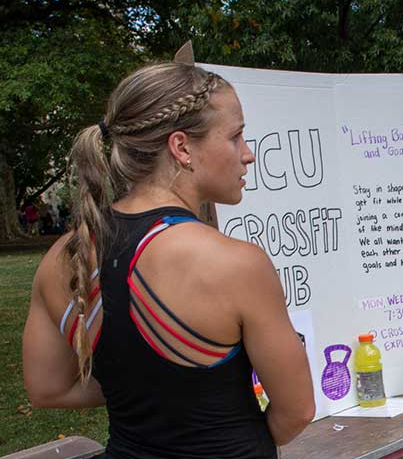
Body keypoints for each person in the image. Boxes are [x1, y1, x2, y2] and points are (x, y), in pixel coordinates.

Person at [21, 63, 315, 457]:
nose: (248, 155)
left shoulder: (64, 255)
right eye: (235, 136)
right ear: (181, 147)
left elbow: (47, 387)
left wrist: (147, 388)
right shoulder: (237, 265)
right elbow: (297, 410)